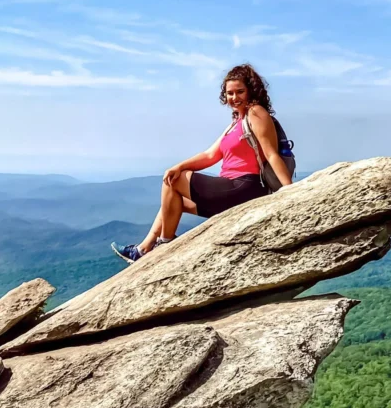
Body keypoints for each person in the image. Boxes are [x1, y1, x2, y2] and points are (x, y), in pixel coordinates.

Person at [111, 64, 293, 263]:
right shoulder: (236, 122)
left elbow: (271, 154)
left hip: (244, 187)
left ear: (251, 89)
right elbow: (210, 155)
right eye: (230, 93)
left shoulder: (256, 113)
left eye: (240, 91)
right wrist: (178, 166)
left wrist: (290, 191)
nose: (234, 97)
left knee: (174, 181)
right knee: (173, 199)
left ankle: (165, 243)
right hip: (230, 189)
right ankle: (143, 249)